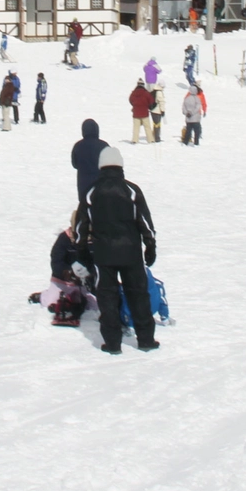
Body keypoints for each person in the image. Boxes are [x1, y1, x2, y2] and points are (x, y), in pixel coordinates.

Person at [77, 147, 159, 355]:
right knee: (138, 295)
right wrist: (150, 245)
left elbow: (81, 227)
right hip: (131, 252)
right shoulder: (131, 190)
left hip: (103, 254)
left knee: (107, 297)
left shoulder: (91, 192)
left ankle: (112, 343)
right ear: (120, 166)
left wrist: (82, 251)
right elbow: (144, 222)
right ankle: (146, 340)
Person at [71, 119, 108, 205]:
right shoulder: (103, 145)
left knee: (86, 208)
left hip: (83, 183)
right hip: (102, 183)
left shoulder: (78, 146)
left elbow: (74, 164)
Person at [128, 79, 152, 144]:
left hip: (136, 113)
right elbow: (151, 101)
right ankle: (150, 139)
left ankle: (135, 140)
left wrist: (134, 105)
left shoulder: (133, 93)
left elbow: (130, 100)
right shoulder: (146, 93)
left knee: (136, 128)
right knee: (147, 127)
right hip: (144, 113)